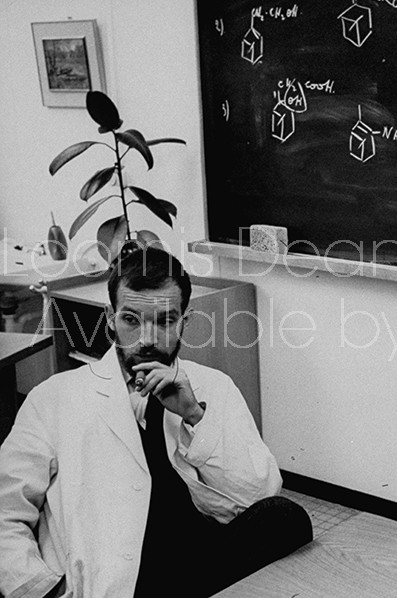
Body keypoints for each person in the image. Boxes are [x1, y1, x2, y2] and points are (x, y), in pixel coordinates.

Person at [0, 246, 312, 598]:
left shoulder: (212, 386)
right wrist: (45, 591)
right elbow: (4, 513)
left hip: (195, 566)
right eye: (131, 320)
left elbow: (256, 495)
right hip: (115, 579)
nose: (147, 339)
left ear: (185, 322)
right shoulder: (54, 398)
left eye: (164, 321)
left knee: (285, 517)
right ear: (110, 319)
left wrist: (195, 415)